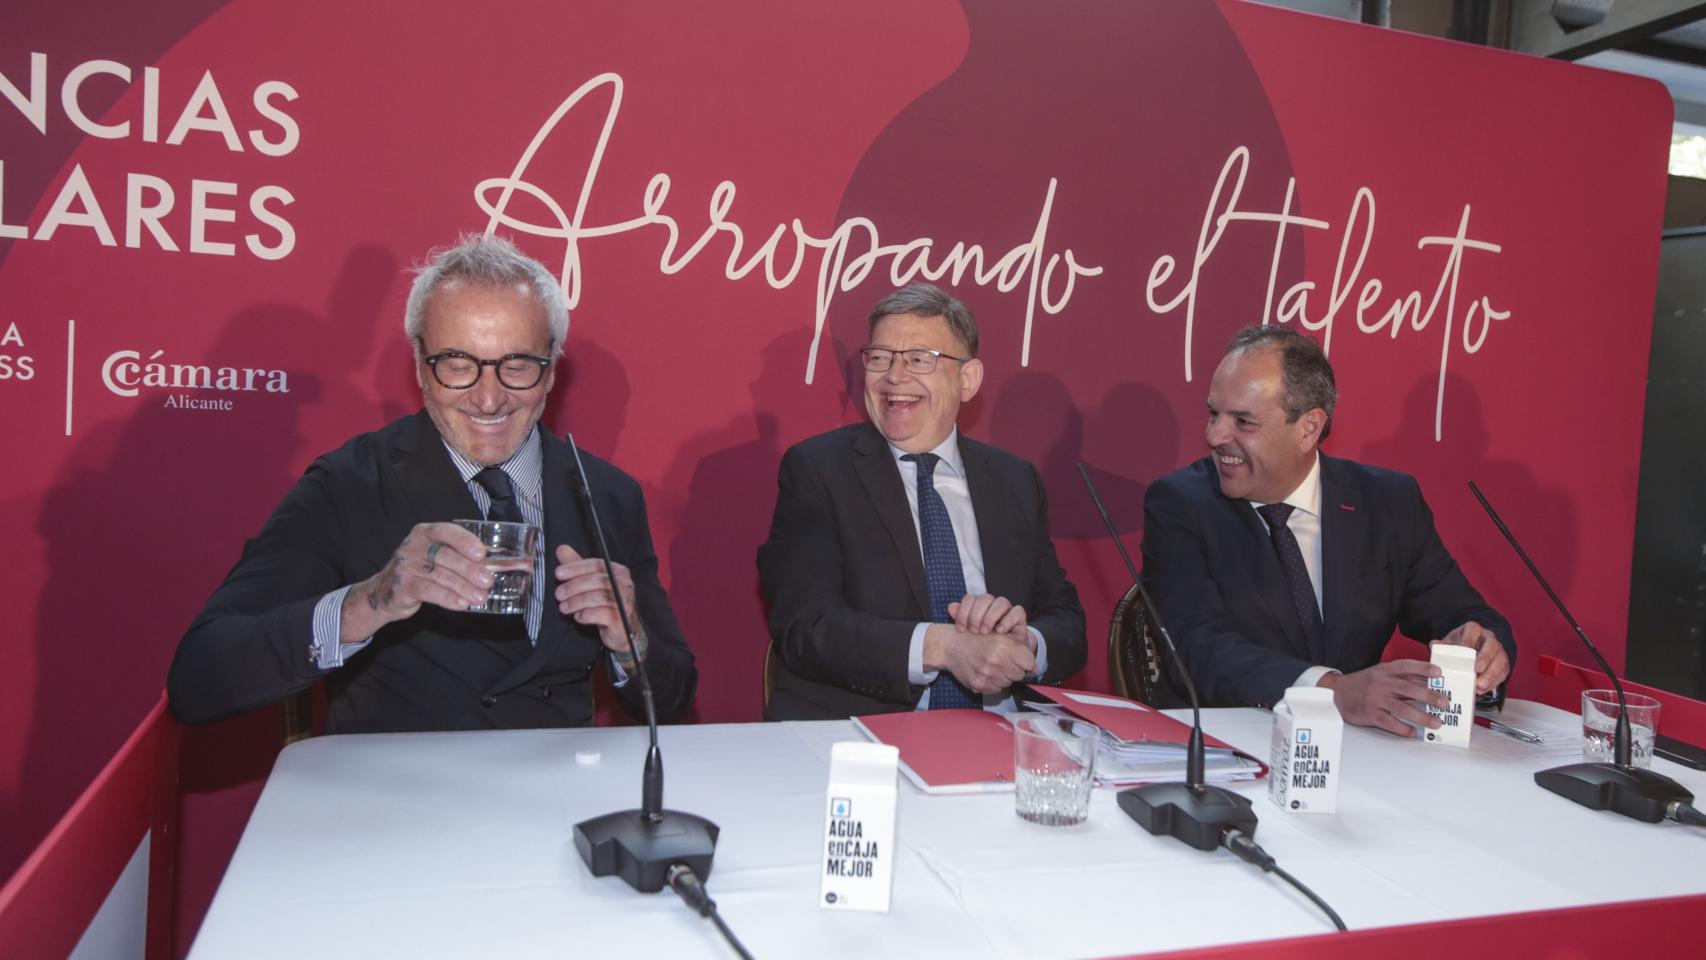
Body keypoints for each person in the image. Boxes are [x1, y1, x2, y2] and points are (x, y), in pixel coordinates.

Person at [168, 235, 694, 731]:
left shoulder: (606, 494)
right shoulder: (349, 485)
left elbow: (672, 698)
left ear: (552, 368)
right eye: (458, 365)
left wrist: (632, 643)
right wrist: (370, 603)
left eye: (517, 366)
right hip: (397, 803)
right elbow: (200, 676)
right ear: (420, 364)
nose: (489, 399)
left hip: (553, 799)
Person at [1140, 325, 1513, 736]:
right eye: (1214, 413)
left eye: (1242, 421)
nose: (1214, 436)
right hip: (1223, 744)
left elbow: (1463, 613)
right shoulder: (1181, 504)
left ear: (1309, 428)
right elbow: (1195, 648)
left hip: (1362, 753)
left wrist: (1483, 650)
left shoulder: (1387, 502)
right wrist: (1331, 690)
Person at [758, 283, 1086, 720]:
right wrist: (945, 646)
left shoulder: (1014, 480)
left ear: (967, 380)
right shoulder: (819, 471)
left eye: (919, 359)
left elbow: (1067, 621)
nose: (894, 377)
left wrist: (1023, 642)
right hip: (869, 734)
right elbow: (806, 626)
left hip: (1002, 733)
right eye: (880, 358)